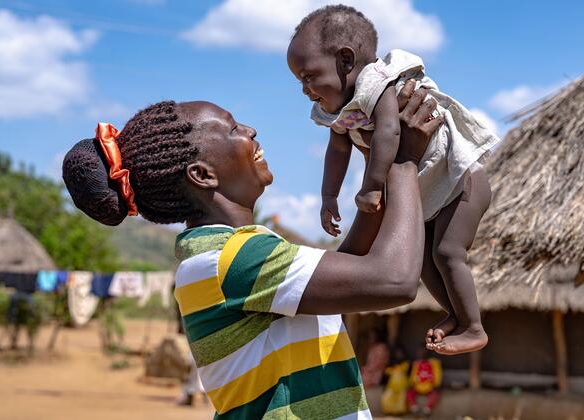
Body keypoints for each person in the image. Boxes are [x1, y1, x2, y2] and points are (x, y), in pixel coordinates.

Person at [61, 83, 440, 418]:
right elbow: (394, 282)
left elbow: (351, 271)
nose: (251, 130)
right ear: (203, 175)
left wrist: (381, 162)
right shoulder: (229, 260)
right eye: (233, 128)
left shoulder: (230, 255)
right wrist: (404, 163)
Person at [287, 5, 498, 356]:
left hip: (462, 182)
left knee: (447, 253)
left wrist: (371, 185)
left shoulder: (381, 84)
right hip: (432, 195)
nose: (305, 89)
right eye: (299, 81)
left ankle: (474, 327)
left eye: (308, 77)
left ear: (345, 60)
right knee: (425, 262)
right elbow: (338, 151)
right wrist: (329, 197)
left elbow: (388, 132)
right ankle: (455, 315)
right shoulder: (341, 111)